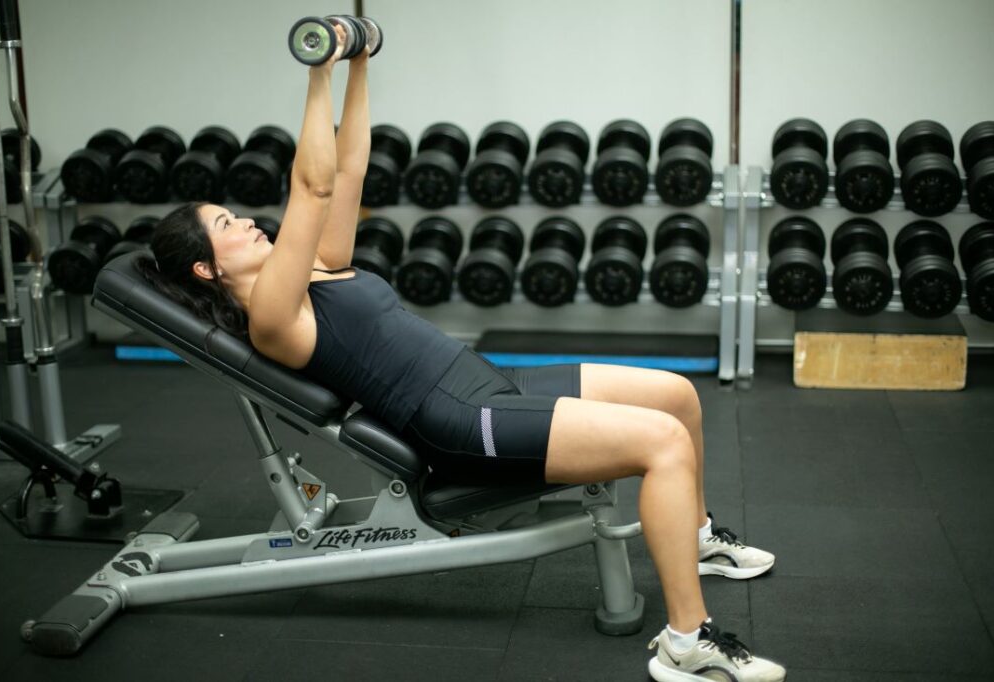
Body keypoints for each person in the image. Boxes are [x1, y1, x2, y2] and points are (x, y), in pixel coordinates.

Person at [136, 24, 785, 682]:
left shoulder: (315, 269)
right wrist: (318, 73)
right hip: (458, 421)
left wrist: (360, 64)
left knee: (677, 393)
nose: (246, 221)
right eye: (227, 226)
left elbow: (349, 168)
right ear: (205, 272)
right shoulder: (275, 316)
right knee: (664, 443)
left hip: (486, 383)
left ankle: (695, 540)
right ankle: (686, 641)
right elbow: (313, 188)